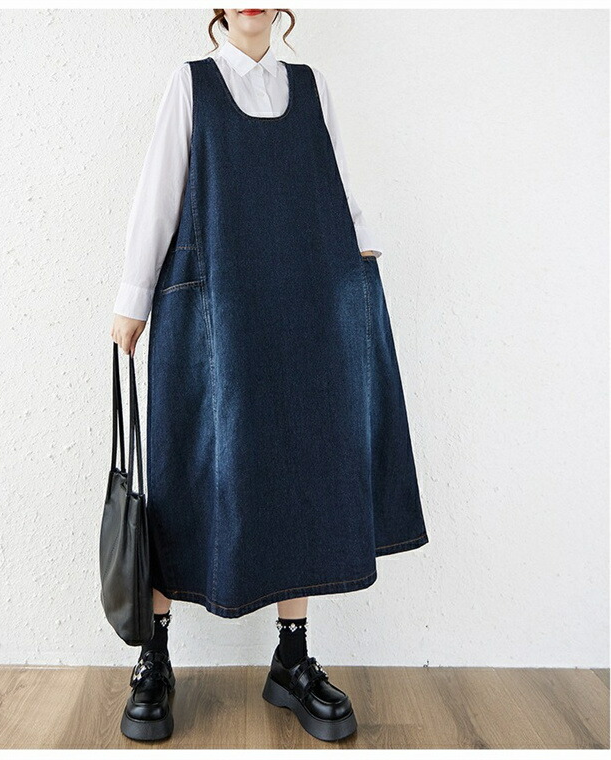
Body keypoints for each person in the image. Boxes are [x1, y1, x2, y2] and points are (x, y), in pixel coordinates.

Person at [110, 8, 429, 744]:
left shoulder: (312, 87)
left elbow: (335, 188)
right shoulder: (191, 84)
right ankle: (154, 658)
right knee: (187, 472)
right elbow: (158, 194)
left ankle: (292, 659)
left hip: (306, 306)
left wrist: (362, 266)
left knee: (301, 468)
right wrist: (132, 298)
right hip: (214, 313)